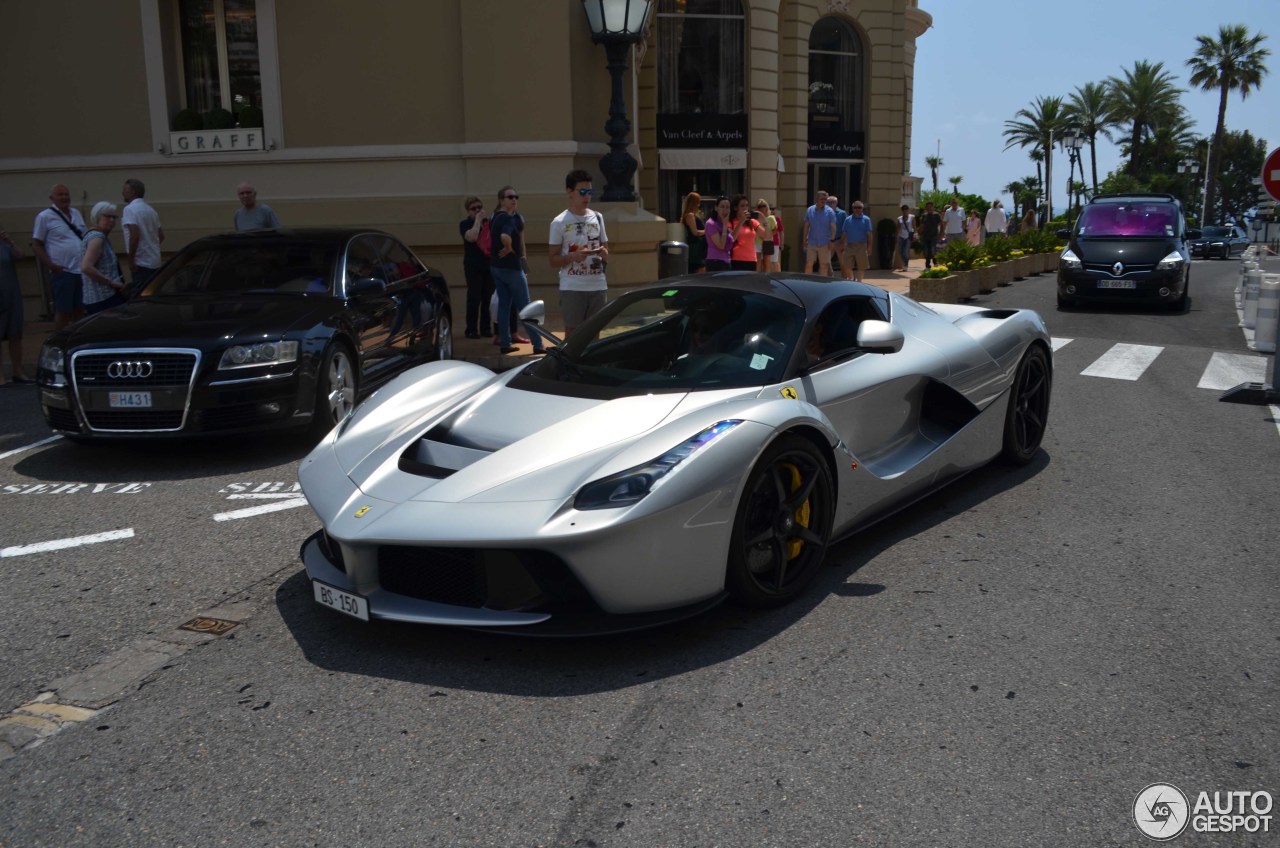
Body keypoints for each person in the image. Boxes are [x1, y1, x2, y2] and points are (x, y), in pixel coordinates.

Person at [548, 169, 609, 335]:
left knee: (594, 333)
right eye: (582, 192)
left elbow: (605, 248)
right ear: (569, 192)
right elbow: (553, 260)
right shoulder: (559, 222)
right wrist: (572, 257)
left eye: (589, 192)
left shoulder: (597, 217)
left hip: (597, 285)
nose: (587, 196)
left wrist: (604, 253)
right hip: (573, 286)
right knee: (573, 334)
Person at [492, 186, 543, 355]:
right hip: (511, 269)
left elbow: (521, 243)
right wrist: (508, 247)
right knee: (526, 307)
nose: (514, 199)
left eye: (516, 196)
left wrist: (524, 264)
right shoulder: (506, 218)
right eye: (510, 197)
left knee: (504, 306)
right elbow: (505, 237)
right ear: (501, 200)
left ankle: (505, 343)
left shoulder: (499, 218)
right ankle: (538, 344)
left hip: (497, 267)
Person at [31, 184, 87, 330]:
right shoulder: (44, 217)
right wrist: (51, 266)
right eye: (60, 194)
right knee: (63, 311)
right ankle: (59, 343)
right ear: (52, 198)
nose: (64, 197)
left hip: (81, 271)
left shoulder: (76, 213)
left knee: (80, 310)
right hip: (63, 272)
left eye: (66, 194)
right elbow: (36, 244)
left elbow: (85, 237)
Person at [79, 201, 128, 314]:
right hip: (103, 297)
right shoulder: (97, 237)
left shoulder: (96, 235)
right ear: (97, 216)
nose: (111, 220)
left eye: (114, 217)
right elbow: (86, 267)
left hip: (96, 298)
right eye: (107, 216)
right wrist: (111, 282)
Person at [0, 226, 32, 385]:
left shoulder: (5, 246)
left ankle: (18, 371)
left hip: (11, 293)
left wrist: (9, 241)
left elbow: (21, 256)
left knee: (15, 334)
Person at [459, 195, 494, 339]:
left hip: (488, 265)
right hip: (473, 266)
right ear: (468, 211)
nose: (477, 210)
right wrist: (477, 220)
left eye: (479, 207)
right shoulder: (464, 224)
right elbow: (472, 237)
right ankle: (471, 329)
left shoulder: (489, 223)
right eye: (473, 209)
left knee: (488, 298)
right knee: (474, 298)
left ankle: (486, 328)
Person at [120, 178, 164, 290]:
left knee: (140, 296)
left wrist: (131, 260)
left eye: (125, 189)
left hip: (141, 263)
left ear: (133, 192)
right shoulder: (151, 211)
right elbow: (161, 236)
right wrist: (151, 245)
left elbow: (134, 236)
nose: (122, 192)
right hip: (155, 261)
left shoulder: (129, 210)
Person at [802, 190, 837, 275]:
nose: (823, 201)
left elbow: (833, 227)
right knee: (809, 263)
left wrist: (832, 240)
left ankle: (821, 283)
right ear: (817, 199)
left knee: (823, 264)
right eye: (822, 199)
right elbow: (806, 225)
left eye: (825, 199)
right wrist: (804, 239)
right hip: (812, 241)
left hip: (825, 242)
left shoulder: (830, 212)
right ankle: (808, 282)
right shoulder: (810, 210)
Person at [839, 201, 873, 282]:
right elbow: (844, 232)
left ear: (862, 209)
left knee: (861, 266)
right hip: (849, 246)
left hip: (861, 245)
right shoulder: (848, 220)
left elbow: (869, 234)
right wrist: (842, 244)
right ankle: (851, 278)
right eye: (855, 207)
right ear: (852, 209)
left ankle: (859, 282)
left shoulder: (866, 219)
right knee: (846, 265)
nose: (857, 209)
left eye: (859, 207)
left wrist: (869, 247)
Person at [728, 195, 760, 271]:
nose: (745, 208)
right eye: (742, 206)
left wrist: (765, 221)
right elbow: (731, 239)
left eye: (746, 205)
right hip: (737, 259)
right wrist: (741, 221)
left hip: (751, 259)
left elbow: (767, 236)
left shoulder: (752, 222)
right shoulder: (731, 222)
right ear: (736, 208)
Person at [704, 196, 733, 271]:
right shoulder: (711, 224)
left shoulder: (724, 223)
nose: (725, 210)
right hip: (715, 261)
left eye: (727, 207)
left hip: (726, 260)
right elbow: (721, 245)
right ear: (716, 208)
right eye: (722, 207)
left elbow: (732, 239)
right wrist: (725, 226)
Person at [680, 192, 707, 273]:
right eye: (698, 202)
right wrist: (707, 231)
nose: (699, 205)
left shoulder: (693, 215)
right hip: (696, 247)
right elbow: (695, 232)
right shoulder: (690, 215)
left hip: (699, 246)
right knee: (699, 269)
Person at [826, 195, 848, 277]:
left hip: (839, 240)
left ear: (836, 203)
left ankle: (844, 279)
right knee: (826, 261)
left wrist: (844, 241)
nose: (831, 204)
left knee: (842, 262)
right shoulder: (825, 213)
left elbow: (846, 228)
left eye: (833, 202)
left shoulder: (842, 213)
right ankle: (830, 277)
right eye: (828, 202)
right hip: (828, 241)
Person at [754, 199, 777, 272]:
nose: (762, 207)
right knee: (758, 263)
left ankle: (766, 279)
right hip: (757, 242)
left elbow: (775, 229)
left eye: (763, 205)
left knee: (766, 263)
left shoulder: (771, 218)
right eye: (759, 206)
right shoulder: (755, 218)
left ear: (766, 207)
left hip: (767, 242)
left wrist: (767, 236)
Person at [918, 201, 942, 269]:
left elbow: (941, 224)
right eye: (927, 207)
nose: (929, 208)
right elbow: (921, 225)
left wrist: (941, 234)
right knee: (926, 251)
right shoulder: (924, 216)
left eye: (930, 207)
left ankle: (935, 262)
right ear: (926, 208)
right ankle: (927, 265)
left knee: (933, 249)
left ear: (933, 208)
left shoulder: (936, 215)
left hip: (934, 236)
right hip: (925, 236)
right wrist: (919, 233)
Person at [896, 204, 915, 270]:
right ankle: (904, 262)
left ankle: (906, 264)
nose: (905, 212)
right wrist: (897, 236)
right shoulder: (899, 218)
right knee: (901, 251)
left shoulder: (912, 217)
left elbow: (914, 226)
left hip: (908, 236)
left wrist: (915, 234)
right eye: (903, 210)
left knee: (905, 251)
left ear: (908, 210)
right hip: (901, 236)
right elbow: (898, 228)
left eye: (906, 210)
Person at [769, 205, 784, 271]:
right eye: (770, 209)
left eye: (773, 209)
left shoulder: (777, 219)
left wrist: (782, 244)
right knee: (766, 261)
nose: (772, 210)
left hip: (775, 243)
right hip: (766, 242)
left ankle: (778, 275)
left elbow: (781, 232)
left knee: (775, 261)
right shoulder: (764, 219)